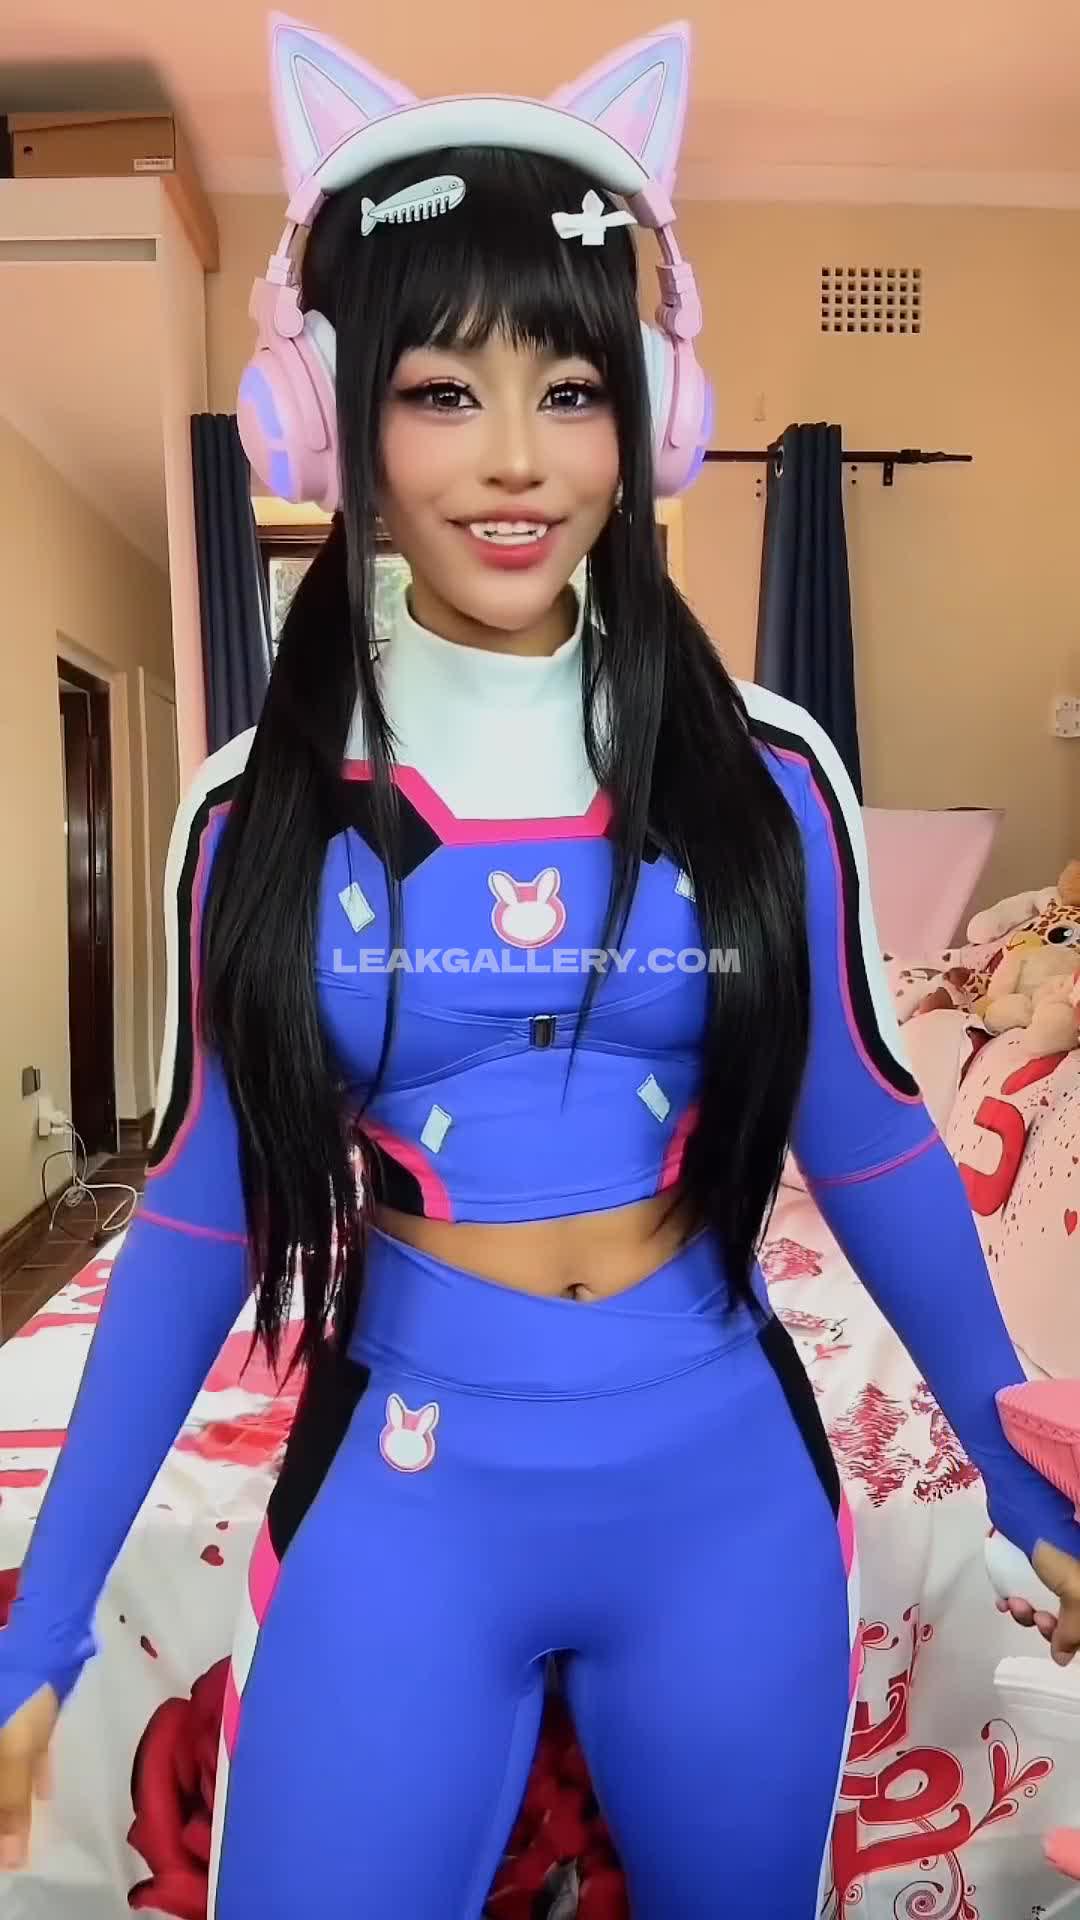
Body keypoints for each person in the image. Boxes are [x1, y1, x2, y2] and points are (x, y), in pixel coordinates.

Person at [2, 17, 1079, 1917]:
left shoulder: (764, 773)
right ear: (331, 419)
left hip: (724, 1488)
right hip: (412, 1485)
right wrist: (44, 1616)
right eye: (441, 390)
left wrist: (1026, 1470)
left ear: (646, 417)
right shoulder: (259, 807)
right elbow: (196, 1210)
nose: (515, 461)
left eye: (571, 389)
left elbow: (872, 1131)